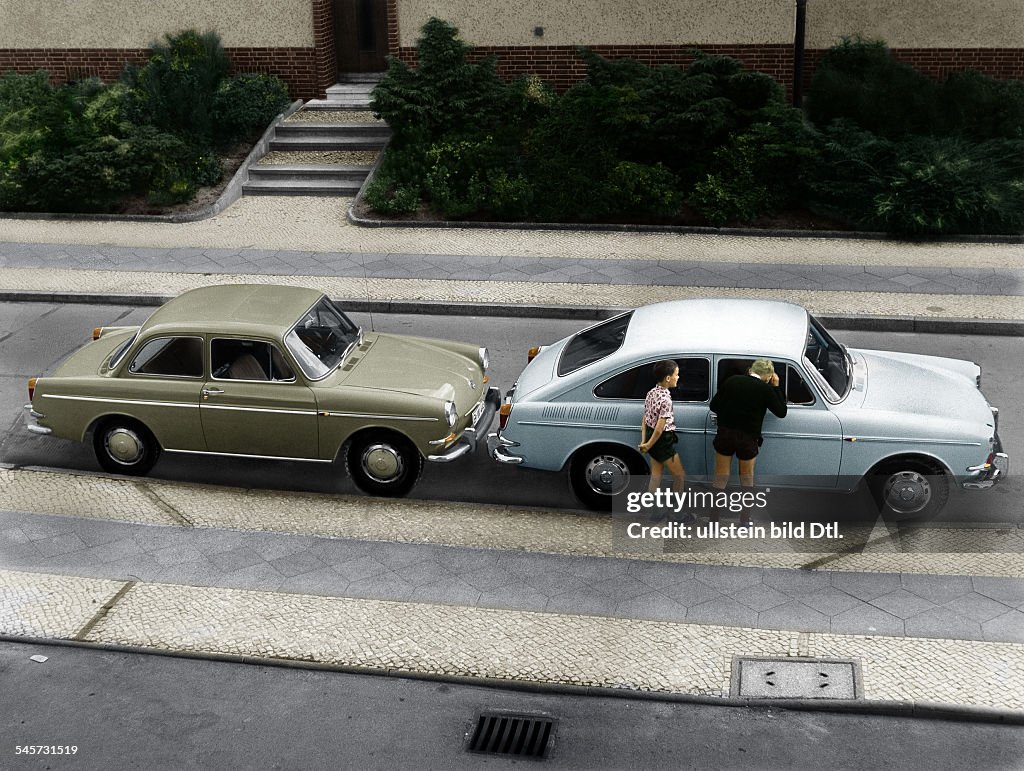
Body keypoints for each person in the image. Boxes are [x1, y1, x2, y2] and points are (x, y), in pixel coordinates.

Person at [709, 359, 788, 525]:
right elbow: (781, 412)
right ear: (769, 376)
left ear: (751, 369)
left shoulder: (732, 380)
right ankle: (744, 520)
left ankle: (713, 520)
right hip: (747, 438)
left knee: (721, 477)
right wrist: (776, 387)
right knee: (746, 478)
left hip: (725, 434)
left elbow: (714, 406)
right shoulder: (765, 389)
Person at [638, 360, 692, 522]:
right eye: (676, 374)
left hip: (650, 437)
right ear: (668, 378)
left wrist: (645, 442)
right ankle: (677, 514)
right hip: (663, 441)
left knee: (656, 475)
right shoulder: (666, 400)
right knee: (679, 475)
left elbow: (645, 420)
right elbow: (659, 429)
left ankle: (655, 512)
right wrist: (649, 444)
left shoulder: (651, 393)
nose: (678, 377)